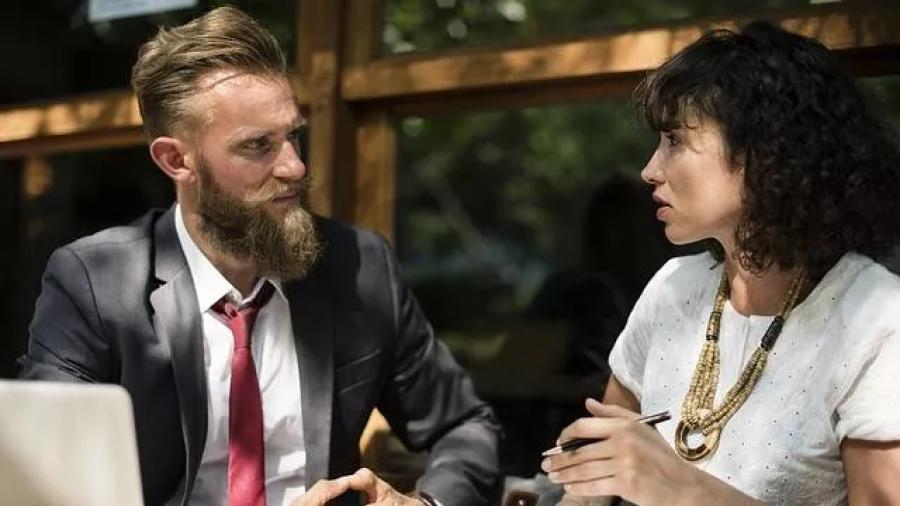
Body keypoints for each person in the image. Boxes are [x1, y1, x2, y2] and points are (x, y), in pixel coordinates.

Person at [18, 7, 500, 506]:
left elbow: (466, 427)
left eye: (293, 135)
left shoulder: (360, 266)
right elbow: (43, 480)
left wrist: (426, 505)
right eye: (257, 146)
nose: (295, 166)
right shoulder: (96, 283)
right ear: (176, 160)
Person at [542, 21, 900, 505]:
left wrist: (679, 487)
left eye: (674, 140)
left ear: (766, 153)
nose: (650, 170)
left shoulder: (878, 319)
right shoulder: (673, 287)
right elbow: (592, 490)